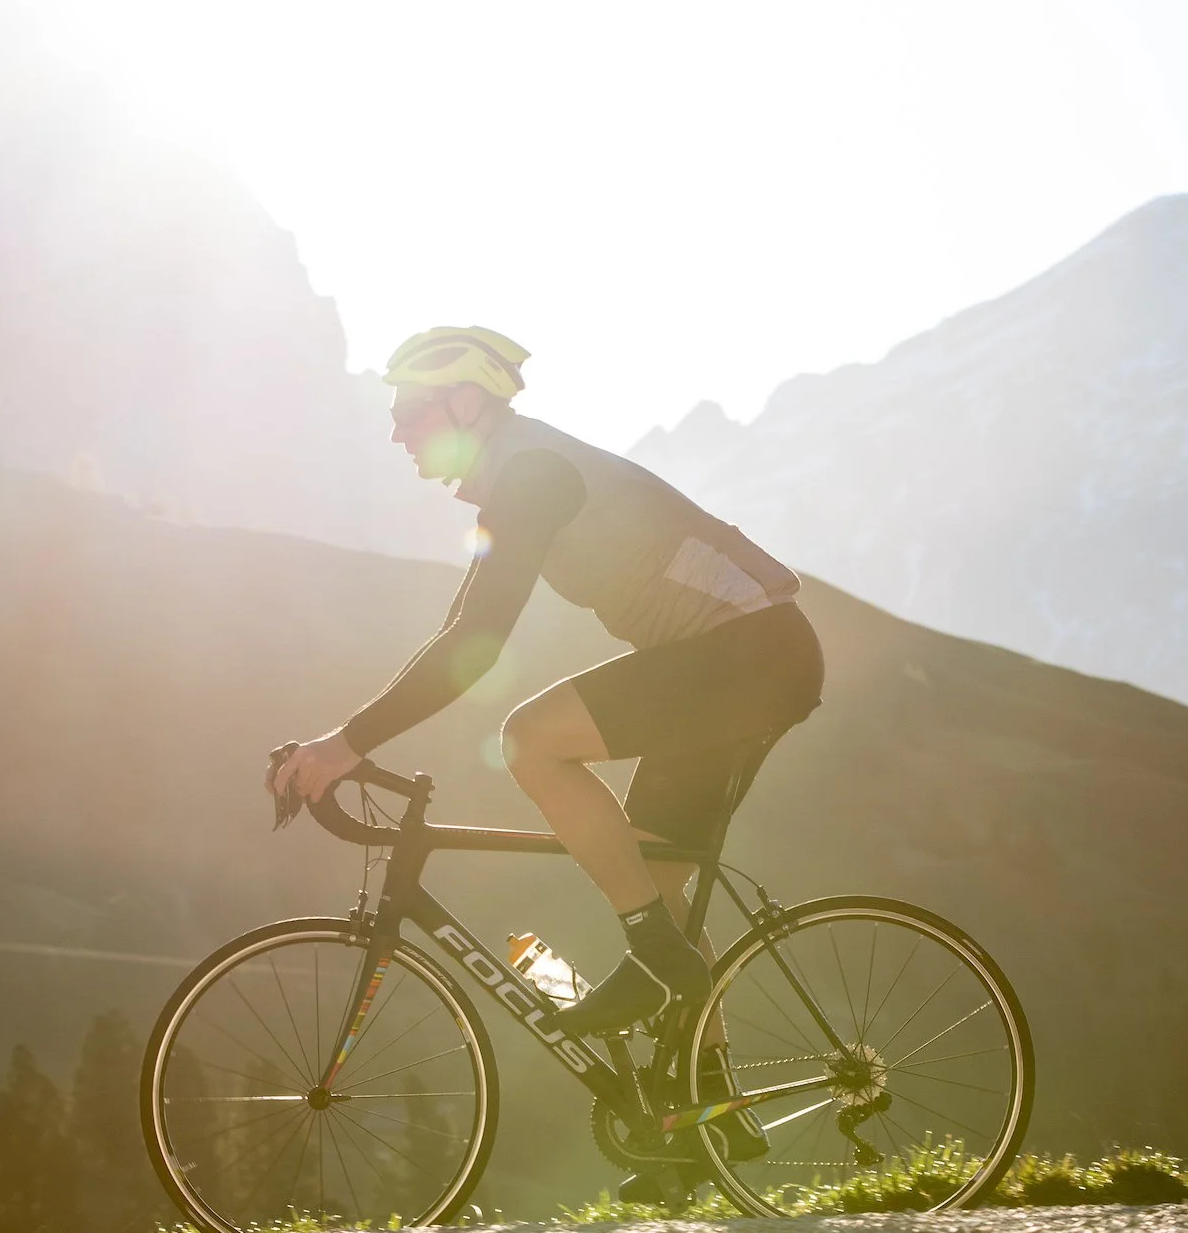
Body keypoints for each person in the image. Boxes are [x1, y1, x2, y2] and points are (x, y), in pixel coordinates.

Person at [266, 326, 824, 1188]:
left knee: (530, 740)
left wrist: (346, 744)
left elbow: (479, 642)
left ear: (466, 404)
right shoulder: (517, 476)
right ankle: (706, 1120)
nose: (396, 431)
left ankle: (653, 959)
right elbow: (461, 628)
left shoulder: (532, 474)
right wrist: (350, 739)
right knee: (657, 873)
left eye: (410, 411)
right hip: (741, 660)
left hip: (745, 656)